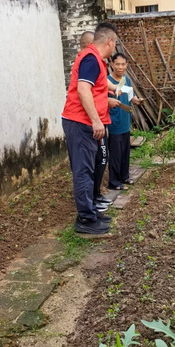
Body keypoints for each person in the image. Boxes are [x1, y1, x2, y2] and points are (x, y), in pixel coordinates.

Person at [62, 22, 120, 234]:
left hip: (85, 122)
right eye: (115, 44)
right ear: (109, 42)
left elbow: (99, 89)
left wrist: (100, 120)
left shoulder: (95, 59)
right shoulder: (91, 59)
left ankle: (90, 212)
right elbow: (83, 89)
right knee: (83, 171)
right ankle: (85, 220)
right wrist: (96, 121)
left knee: (90, 169)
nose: (114, 48)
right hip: (80, 122)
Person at [107, 52, 143, 190]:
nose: (120, 67)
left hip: (125, 122)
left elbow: (130, 96)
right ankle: (114, 182)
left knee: (125, 153)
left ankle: (125, 177)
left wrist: (137, 100)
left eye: (123, 64)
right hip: (113, 123)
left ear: (126, 65)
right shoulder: (107, 81)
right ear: (112, 65)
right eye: (117, 64)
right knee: (115, 154)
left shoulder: (126, 80)